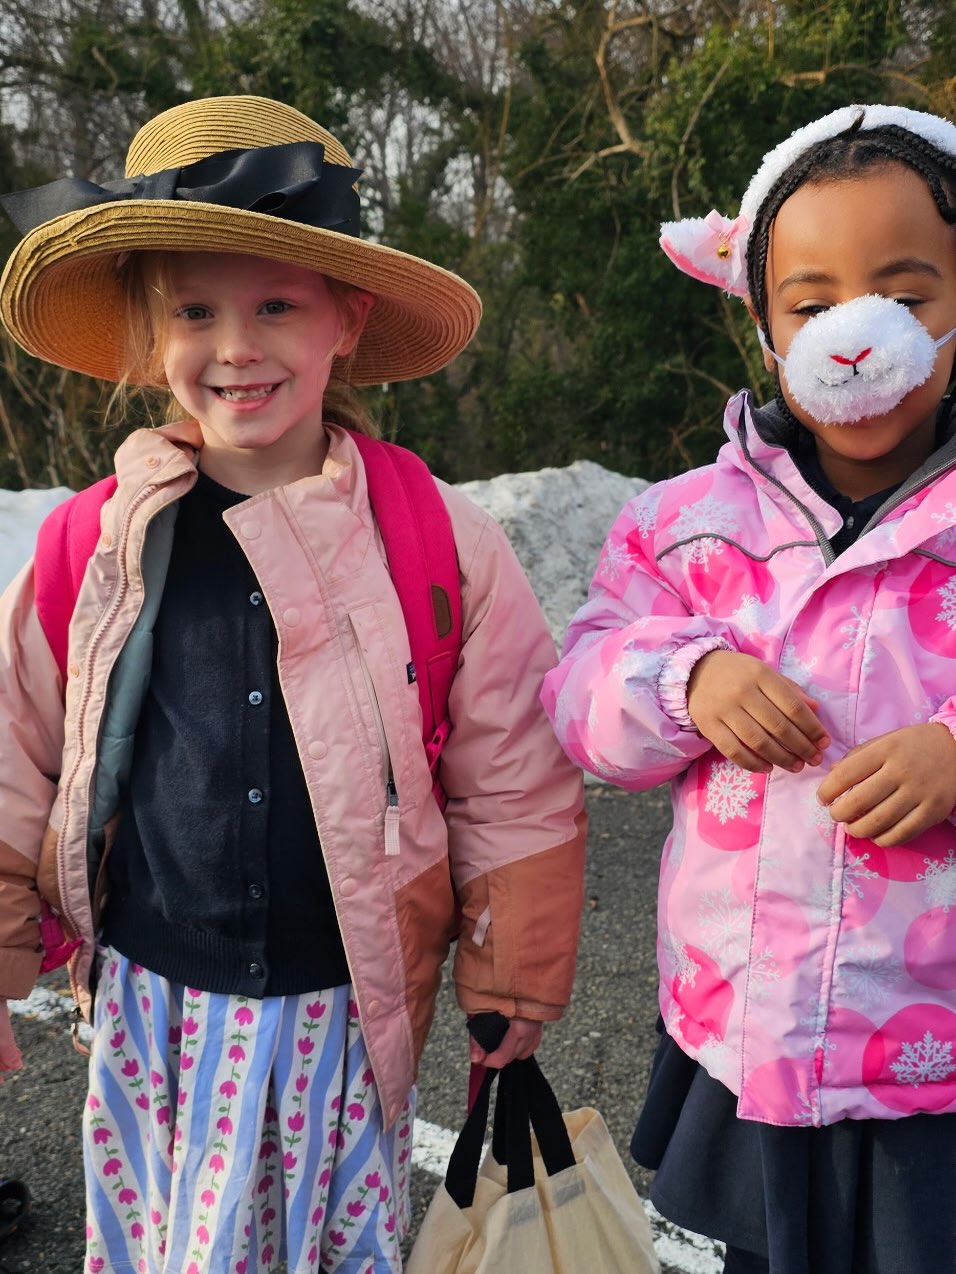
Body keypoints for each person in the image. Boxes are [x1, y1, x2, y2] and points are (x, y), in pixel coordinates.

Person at [0, 95, 586, 1274]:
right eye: (195, 310)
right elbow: (20, 752)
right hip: (156, 1004)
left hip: (340, 1005)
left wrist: (511, 968)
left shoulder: (435, 535)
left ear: (346, 319)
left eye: (275, 304)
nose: (234, 345)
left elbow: (509, 770)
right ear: (149, 330)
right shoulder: (95, 541)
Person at [542, 103, 956, 1274]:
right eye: (812, 302)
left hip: (930, 1068)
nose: (857, 335)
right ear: (764, 326)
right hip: (739, 1044)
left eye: (906, 293)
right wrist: (685, 679)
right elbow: (579, 694)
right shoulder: (683, 525)